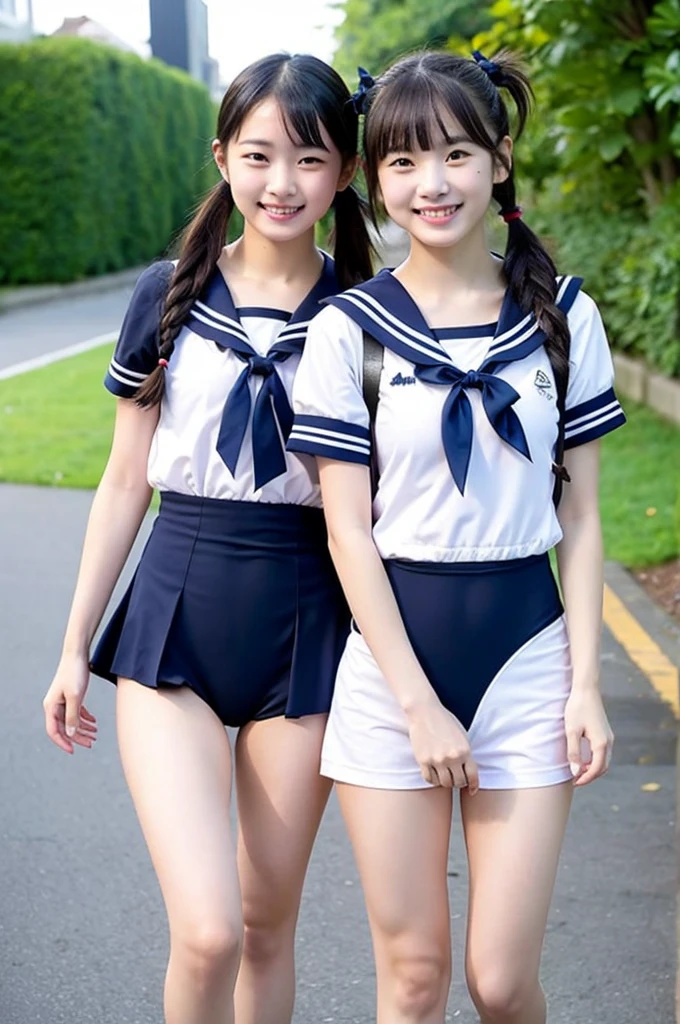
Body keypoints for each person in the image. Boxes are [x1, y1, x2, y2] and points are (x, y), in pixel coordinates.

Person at [288, 49, 624, 1024]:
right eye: (399, 162)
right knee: (412, 977)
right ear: (375, 180)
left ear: (500, 160)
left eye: (454, 154)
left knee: (502, 979)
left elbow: (584, 514)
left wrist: (587, 685)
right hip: (392, 676)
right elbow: (347, 533)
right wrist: (417, 705)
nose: (428, 184)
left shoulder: (564, 317)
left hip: (527, 662)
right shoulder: (347, 330)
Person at [42, 52, 372, 1024]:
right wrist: (72, 646)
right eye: (259, 154)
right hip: (173, 621)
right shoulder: (169, 293)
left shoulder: (368, 318)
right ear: (221, 156)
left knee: (268, 926)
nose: (281, 183)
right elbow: (120, 485)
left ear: (344, 172)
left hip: (309, 625)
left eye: (308, 159)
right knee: (209, 930)